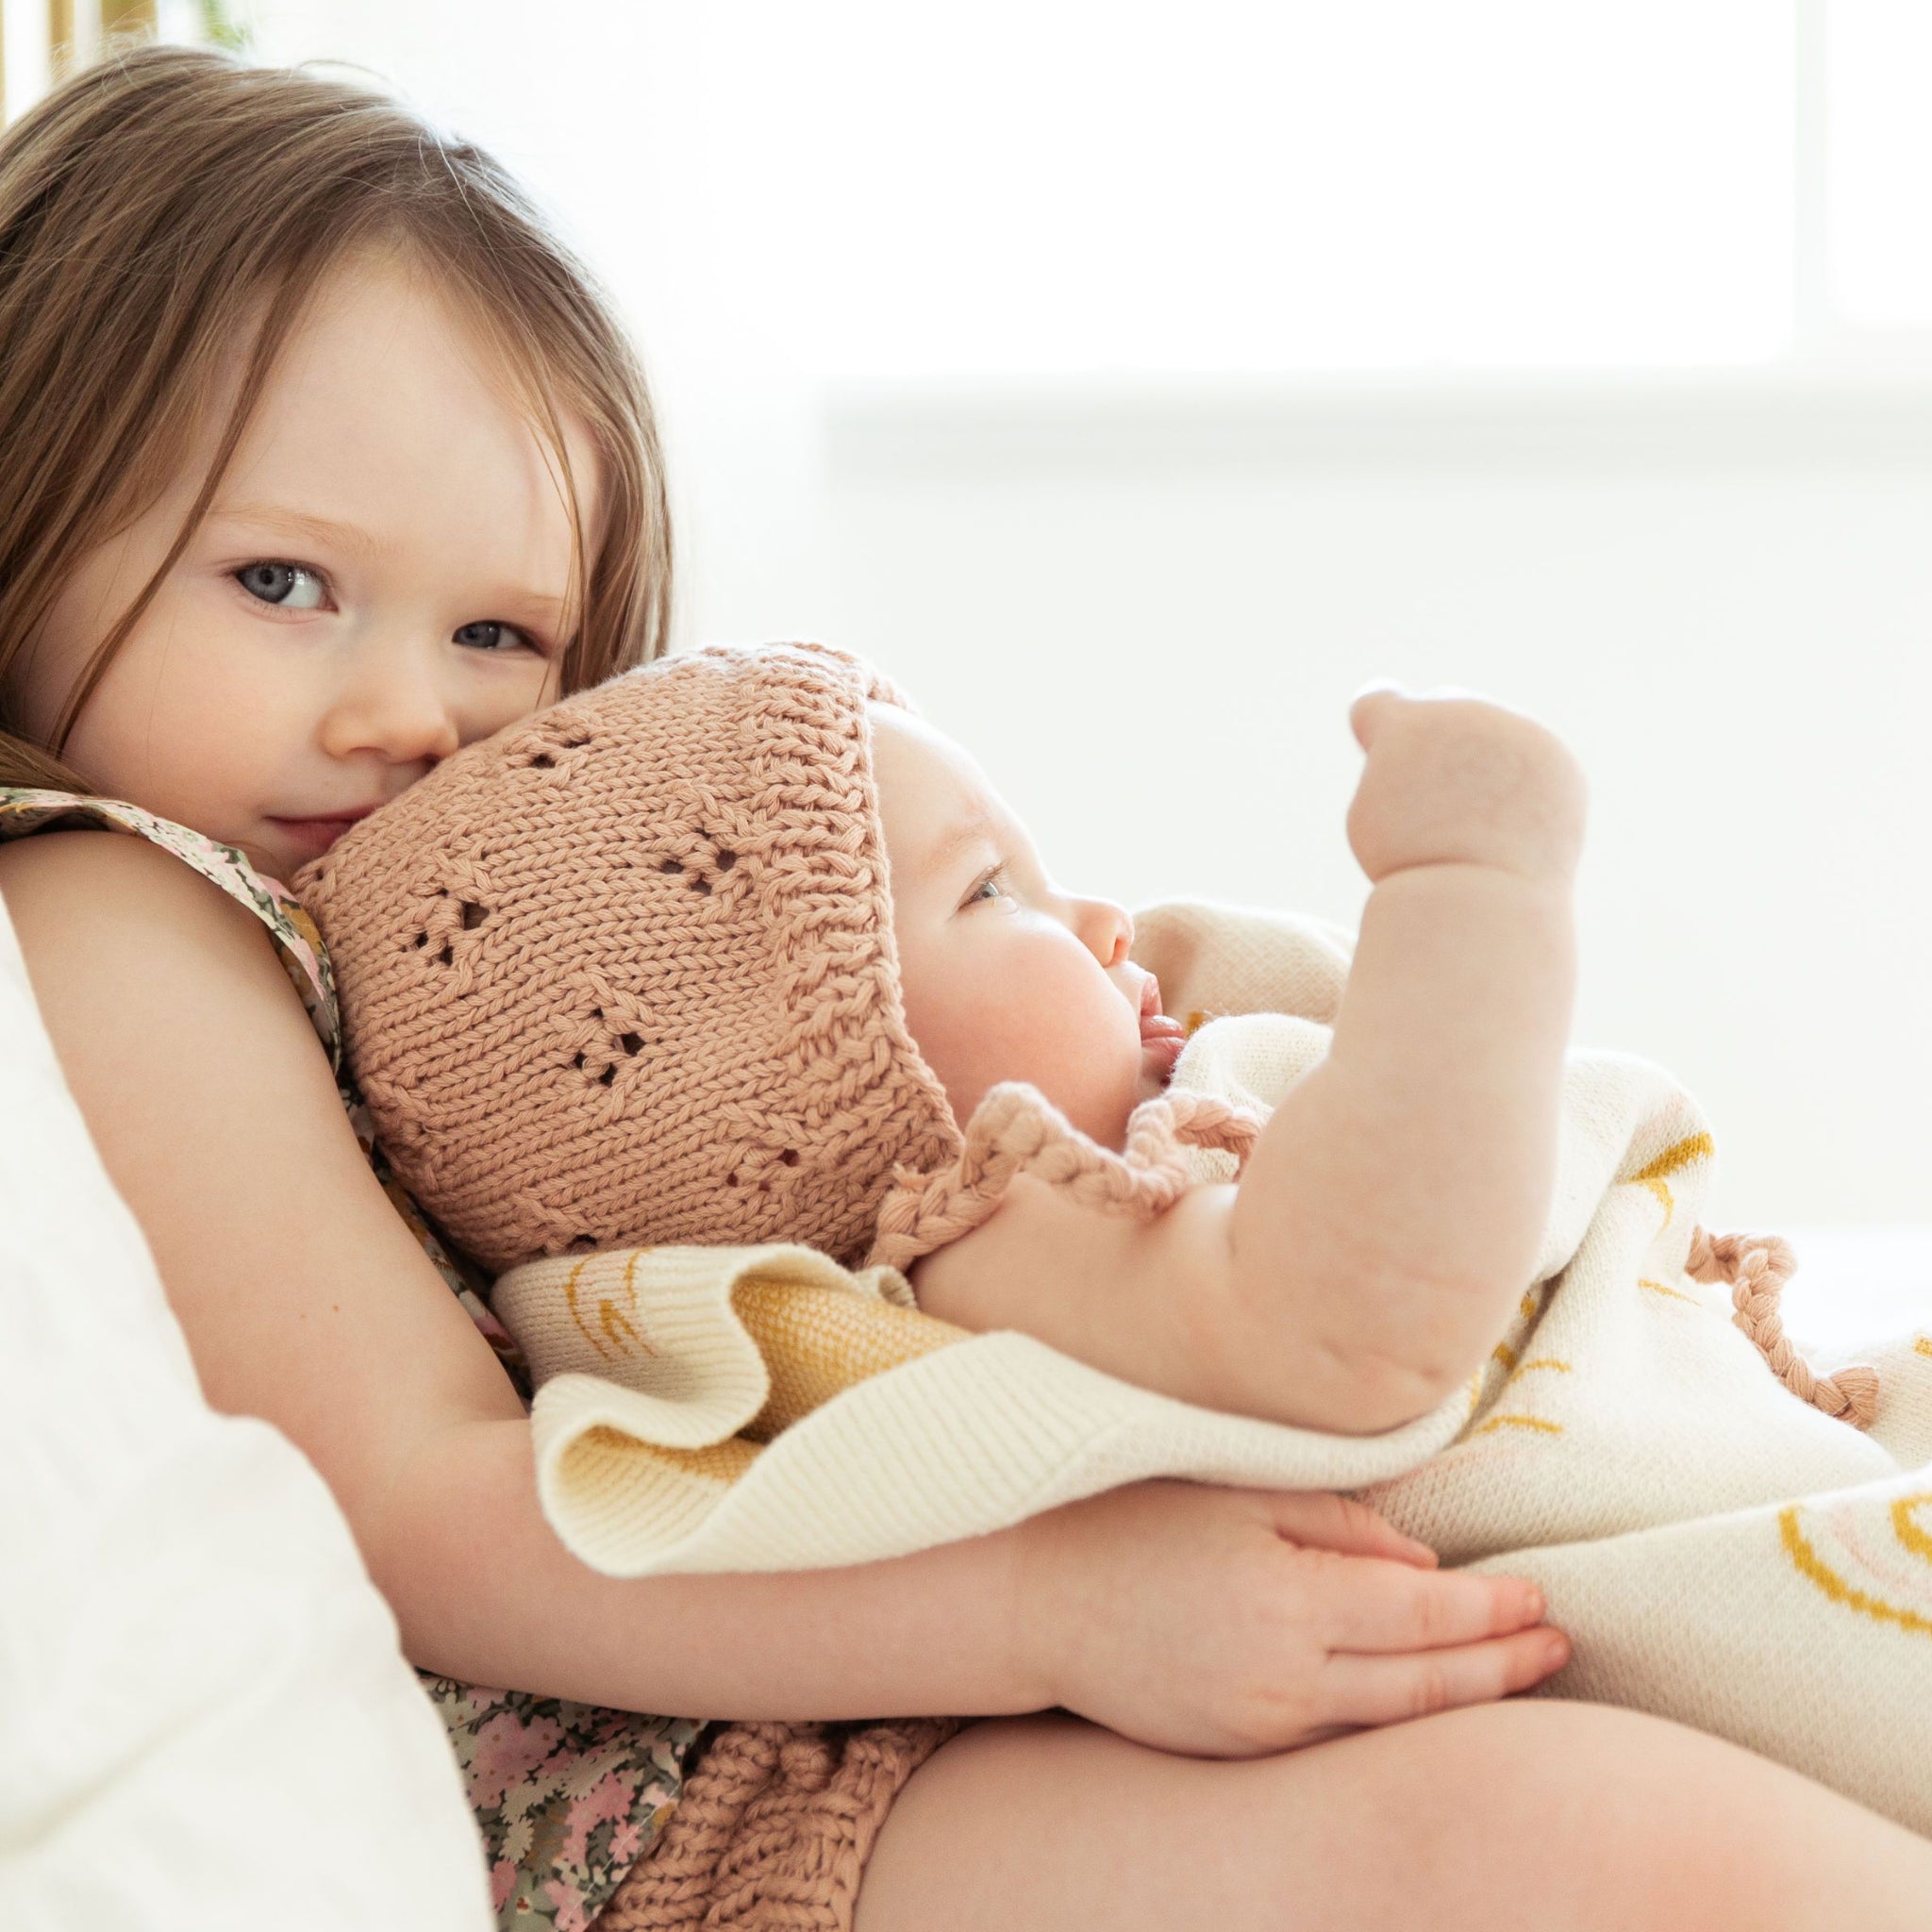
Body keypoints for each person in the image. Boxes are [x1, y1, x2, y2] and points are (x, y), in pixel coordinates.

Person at [1, 44, 1926, 1932]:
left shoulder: (406, 929)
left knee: (1591, 1726)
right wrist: (1055, 1608)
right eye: (279, 584)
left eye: (501, 630)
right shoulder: (120, 910)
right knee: (1538, 1835)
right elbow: (428, 1504)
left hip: (816, 1654)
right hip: (646, 1783)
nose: (412, 711)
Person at [305, 639, 1929, 1840]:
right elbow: (1360, 1323)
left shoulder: (1101, 1134)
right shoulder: (983, 1250)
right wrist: (1476, 893)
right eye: (992, 893)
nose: (1096, 921)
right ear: (820, 1075)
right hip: (1741, 1613)